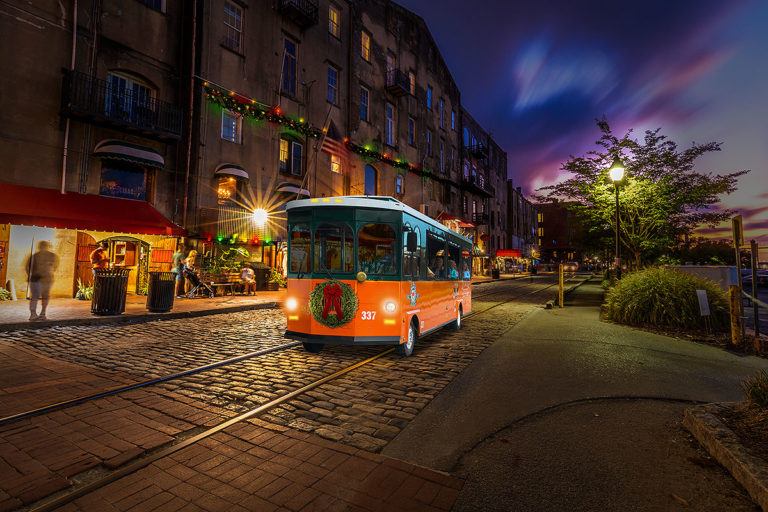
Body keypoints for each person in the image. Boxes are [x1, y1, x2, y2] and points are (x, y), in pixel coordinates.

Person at [26, 241, 59, 321]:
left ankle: (35, 314)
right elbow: (55, 267)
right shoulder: (52, 256)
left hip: (37, 278)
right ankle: (41, 314)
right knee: (43, 296)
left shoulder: (35, 256)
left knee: (36, 296)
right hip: (43, 278)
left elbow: (27, 267)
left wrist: (30, 275)